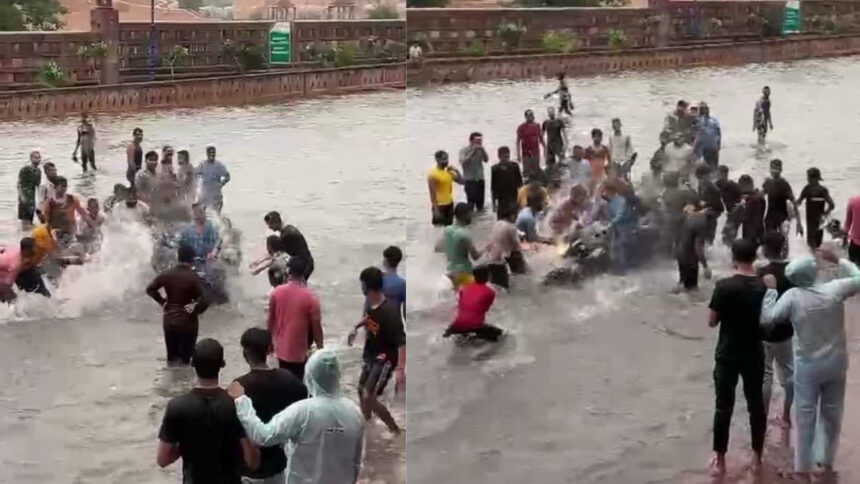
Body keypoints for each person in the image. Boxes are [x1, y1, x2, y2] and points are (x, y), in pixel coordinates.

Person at [760, 248, 860, 479]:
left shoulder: (793, 297)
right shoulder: (835, 289)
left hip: (808, 366)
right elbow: (858, 277)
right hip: (836, 363)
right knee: (832, 413)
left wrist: (771, 292)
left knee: (805, 416)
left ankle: (802, 467)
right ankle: (825, 461)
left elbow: (769, 319)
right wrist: (842, 262)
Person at [227, 349, 364, 484]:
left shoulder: (302, 412)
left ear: (310, 375)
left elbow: (263, 436)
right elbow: (356, 463)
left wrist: (242, 401)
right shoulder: (355, 413)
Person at [157, 338, 260, 482]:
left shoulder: (177, 407)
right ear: (222, 364)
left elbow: (163, 459)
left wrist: (184, 446)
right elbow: (252, 462)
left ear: (193, 364)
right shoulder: (236, 405)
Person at [707, 238, 767, 476]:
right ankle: (757, 458)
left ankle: (720, 460)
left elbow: (712, 322)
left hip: (728, 353)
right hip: (754, 352)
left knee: (723, 406)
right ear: (755, 257)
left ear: (733, 257)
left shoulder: (724, 286)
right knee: (756, 406)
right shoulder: (764, 286)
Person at [233, 328, 308, 484]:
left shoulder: (238, 387)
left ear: (244, 354)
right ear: (270, 349)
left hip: (248, 469)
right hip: (279, 465)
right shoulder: (289, 380)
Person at [347, 267, 405, 434]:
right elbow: (370, 318)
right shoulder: (372, 304)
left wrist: (400, 370)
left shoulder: (391, 311)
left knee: (368, 396)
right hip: (371, 354)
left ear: (367, 286)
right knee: (360, 389)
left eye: (362, 284)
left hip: (385, 357)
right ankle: (367, 424)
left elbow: (402, 341)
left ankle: (395, 431)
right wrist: (356, 327)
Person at [146, 244, 210, 366]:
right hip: (188, 323)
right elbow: (206, 299)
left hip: (169, 322)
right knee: (186, 361)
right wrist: (195, 308)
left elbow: (150, 289)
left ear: (178, 258)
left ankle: (171, 383)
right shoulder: (193, 277)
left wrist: (163, 302)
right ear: (192, 260)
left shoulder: (166, 274)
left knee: (171, 359)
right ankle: (183, 383)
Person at [755, 232, 794, 426]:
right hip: (786, 331)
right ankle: (787, 416)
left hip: (764, 332)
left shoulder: (762, 273)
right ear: (783, 247)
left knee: (765, 375)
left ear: (764, 249)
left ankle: (762, 417)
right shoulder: (793, 273)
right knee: (788, 373)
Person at [267, 257, 323, 381]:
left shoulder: (276, 293)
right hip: (299, 352)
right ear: (304, 273)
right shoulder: (311, 298)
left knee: (284, 382)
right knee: (299, 384)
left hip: (280, 350)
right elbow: (316, 327)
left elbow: (271, 320)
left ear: (288, 271)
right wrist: (320, 349)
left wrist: (269, 342)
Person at [444, 265, 505, 342]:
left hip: (456, 324)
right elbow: (484, 309)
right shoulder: (490, 292)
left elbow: (462, 304)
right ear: (488, 277)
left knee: (448, 337)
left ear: (474, 276)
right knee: (503, 336)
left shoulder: (464, 288)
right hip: (475, 326)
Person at [437, 202, 482, 289]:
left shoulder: (447, 230)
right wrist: (486, 249)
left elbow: (437, 248)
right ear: (465, 215)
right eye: (471, 214)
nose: (472, 217)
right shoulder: (465, 234)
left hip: (450, 271)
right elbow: (475, 256)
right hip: (464, 273)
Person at [763, 159, 802, 257]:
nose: (774, 171)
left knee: (784, 241)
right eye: (772, 168)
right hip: (770, 217)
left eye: (776, 168)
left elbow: (793, 201)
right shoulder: (767, 182)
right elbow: (761, 195)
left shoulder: (784, 184)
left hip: (782, 217)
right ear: (769, 169)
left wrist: (799, 222)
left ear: (781, 170)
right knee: (770, 240)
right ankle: (770, 260)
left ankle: (784, 260)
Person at [263, 211, 315, 281]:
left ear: (276, 222)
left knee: (295, 284)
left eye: (270, 224)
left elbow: (275, 253)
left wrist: (261, 265)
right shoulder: (288, 229)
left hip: (304, 265)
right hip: (306, 262)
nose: (269, 227)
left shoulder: (286, 235)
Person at [42, 177, 95, 244]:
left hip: (71, 230)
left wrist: (92, 225)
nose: (64, 188)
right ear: (55, 187)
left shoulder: (72, 199)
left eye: (65, 186)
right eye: (62, 186)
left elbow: (83, 213)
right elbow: (46, 220)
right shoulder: (50, 203)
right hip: (56, 232)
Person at [673, 204, 710, 293]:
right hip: (690, 260)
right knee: (692, 291)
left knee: (682, 284)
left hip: (680, 255)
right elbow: (698, 247)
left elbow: (676, 241)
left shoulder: (683, 219)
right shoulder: (701, 222)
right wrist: (705, 266)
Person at [660, 171, 698, 256]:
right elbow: (694, 198)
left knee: (670, 239)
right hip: (680, 217)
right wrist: (689, 186)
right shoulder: (682, 192)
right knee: (680, 239)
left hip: (668, 218)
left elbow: (662, 207)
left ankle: (668, 253)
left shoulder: (664, 193)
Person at [796, 167, 835, 251]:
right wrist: (824, 214)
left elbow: (798, 202)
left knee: (812, 244)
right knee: (817, 244)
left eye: (809, 177)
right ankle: (817, 260)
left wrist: (792, 204)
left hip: (811, 221)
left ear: (815, 178)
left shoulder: (807, 189)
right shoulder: (822, 190)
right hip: (818, 220)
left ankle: (814, 260)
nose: (807, 179)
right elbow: (831, 205)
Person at [485, 205, 521, 290]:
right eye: (516, 216)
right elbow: (516, 246)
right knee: (505, 290)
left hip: (490, 259)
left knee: (495, 288)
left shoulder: (497, 223)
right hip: (500, 262)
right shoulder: (511, 227)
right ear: (512, 216)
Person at [605, 179, 634, 272]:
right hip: (616, 225)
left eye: (607, 191)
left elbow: (620, 214)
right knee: (613, 246)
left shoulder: (620, 200)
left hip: (624, 225)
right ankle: (615, 266)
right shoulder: (611, 200)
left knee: (620, 246)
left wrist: (611, 222)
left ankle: (622, 267)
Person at [428, 150, 462, 227]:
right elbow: (432, 194)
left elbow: (461, 182)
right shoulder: (433, 175)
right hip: (439, 205)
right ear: (437, 160)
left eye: (447, 158)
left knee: (449, 228)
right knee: (438, 229)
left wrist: (456, 171)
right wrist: (435, 209)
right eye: (444, 159)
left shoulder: (448, 172)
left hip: (449, 204)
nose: (446, 161)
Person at [459, 132, 489, 212]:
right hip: (469, 180)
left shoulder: (481, 149)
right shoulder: (464, 150)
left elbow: (486, 160)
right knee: (470, 204)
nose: (479, 142)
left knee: (480, 205)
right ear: (471, 141)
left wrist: (483, 150)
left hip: (480, 179)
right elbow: (463, 162)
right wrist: (473, 152)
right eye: (477, 140)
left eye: (480, 140)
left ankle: (480, 222)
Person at [490, 146, 523, 219]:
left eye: (508, 157)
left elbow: (520, 183)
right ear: (499, 156)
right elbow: (493, 187)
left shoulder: (514, 167)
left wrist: (521, 200)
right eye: (504, 157)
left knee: (514, 219)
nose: (506, 159)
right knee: (501, 221)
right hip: (501, 200)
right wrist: (494, 203)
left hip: (513, 198)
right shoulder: (495, 169)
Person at [196, 146, 231, 213]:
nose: (212, 154)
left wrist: (221, 184)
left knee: (216, 214)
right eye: (210, 153)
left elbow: (227, 177)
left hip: (216, 195)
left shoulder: (219, 165)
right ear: (207, 153)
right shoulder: (202, 165)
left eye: (213, 153)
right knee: (203, 214)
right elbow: (196, 175)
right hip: (205, 195)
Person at [695, 164, 723, 245]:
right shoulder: (703, 184)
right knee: (707, 235)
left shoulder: (709, 185)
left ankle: (708, 251)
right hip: (709, 211)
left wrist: (705, 205)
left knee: (708, 235)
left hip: (711, 211)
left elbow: (716, 195)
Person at [716, 166, 743, 245]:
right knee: (726, 235)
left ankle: (732, 252)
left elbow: (741, 201)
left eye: (719, 174)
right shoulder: (718, 184)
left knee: (728, 235)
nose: (718, 176)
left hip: (736, 213)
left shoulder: (734, 186)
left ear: (725, 174)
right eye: (717, 174)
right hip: (730, 213)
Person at [738, 174, 767, 246]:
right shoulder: (757, 196)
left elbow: (745, 217)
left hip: (753, 230)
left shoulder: (755, 198)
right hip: (755, 229)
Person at [516, 109, 544, 180]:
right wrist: (518, 154)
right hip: (526, 152)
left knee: (536, 170)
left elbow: (541, 138)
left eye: (532, 115)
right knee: (526, 172)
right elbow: (518, 141)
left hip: (535, 151)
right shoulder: (521, 127)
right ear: (525, 117)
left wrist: (545, 148)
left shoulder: (537, 125)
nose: (531, 117)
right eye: (529, 115)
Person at [17, 151, 42, 230]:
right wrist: (21, 196)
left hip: (32, 198)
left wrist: (40, 201)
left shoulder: (38, 171)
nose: (38, 160)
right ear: (31, 159)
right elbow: (19, 184)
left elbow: (38, 186)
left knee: (30, 221)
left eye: (39, 157)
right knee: (25, 224)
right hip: (24, 197)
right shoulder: (25, 170)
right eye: (36, 158)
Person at [694, 102, 721, 168]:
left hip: (712, 147)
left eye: (705, 108)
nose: (704, 110)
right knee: (700, 169)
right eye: (702, 109)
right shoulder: (695, 120)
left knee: (714, 168)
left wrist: (719, 145)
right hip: (700, 149)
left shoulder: (714, 120)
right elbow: (693, 134)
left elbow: (719, 133)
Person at [381, 245, 406, 314]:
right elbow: (404, 313)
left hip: (377, 323)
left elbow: (368, 307)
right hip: (395, 322)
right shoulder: (403, 284)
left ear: (385, 261)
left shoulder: (377, 279)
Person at [844, 194, 860, 266]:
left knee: (854, 271)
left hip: (855, 245)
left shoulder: (853, 201)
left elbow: (847, 224)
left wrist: (845, 240)